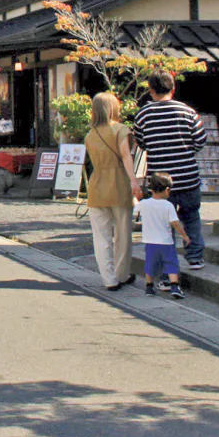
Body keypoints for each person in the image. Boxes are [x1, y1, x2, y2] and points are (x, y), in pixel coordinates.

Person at [133, 71, 207, 270]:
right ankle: (195, 257)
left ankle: (168, 267)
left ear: (150, 91)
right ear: (173, 88)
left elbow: (141, 142)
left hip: (159, 182)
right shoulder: (188, 112)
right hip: (188, 177)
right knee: (191, 217)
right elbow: (200, 141)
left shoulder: (143, 115)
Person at [85, 92, 139, 292]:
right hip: (119, 183)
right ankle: (122, 274)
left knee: (101, 236)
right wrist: (134, 182)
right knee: (123, 234)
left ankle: (109, 279)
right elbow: (126, 157)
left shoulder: (90, 135)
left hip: (97, 184)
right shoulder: (121, 130)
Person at [135, 173, 190, 300]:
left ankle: (149, 286)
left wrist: (137, 196)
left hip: (150, 241)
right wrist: (184, 235)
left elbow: (133, 208)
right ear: (167, 190)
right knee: (171, 263)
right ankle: (175, 286)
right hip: (166, 241)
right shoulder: (168, 205)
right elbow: (175, 223)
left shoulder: (145, 204)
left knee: (150, 263)